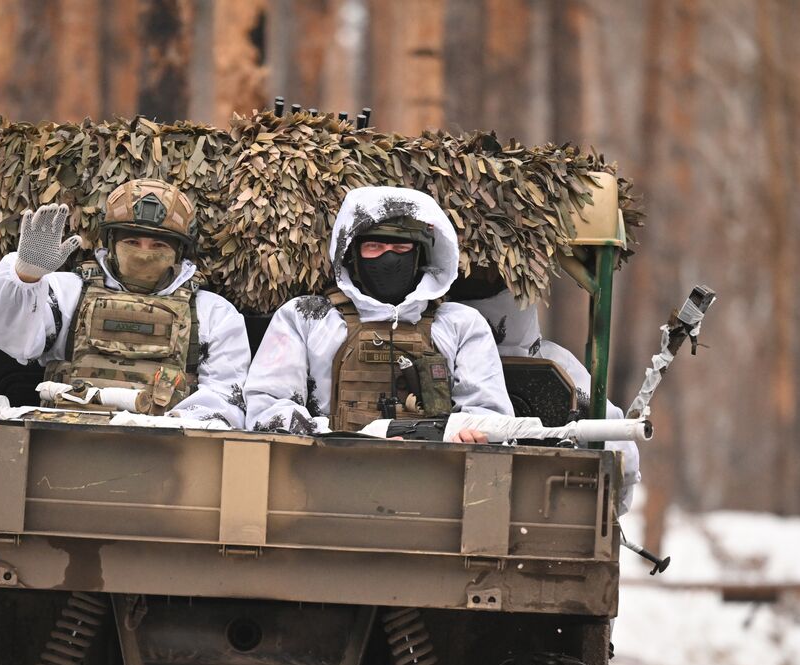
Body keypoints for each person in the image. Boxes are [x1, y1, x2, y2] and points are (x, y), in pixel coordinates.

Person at [0, 179, 251, 426]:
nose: (144, 253)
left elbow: (225, 401)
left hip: (166, 452)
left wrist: (164, 426)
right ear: (111, 242)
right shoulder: (69, 293)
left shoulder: (212, 313)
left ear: (179, 252)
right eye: (132, 241)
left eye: (158, 245)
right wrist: (25, 278)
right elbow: (9, 337)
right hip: (63, 441)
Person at [244, 186, 511, 442]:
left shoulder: (460, 324)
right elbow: (267, 407)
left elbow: (491, 415)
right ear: (352, 256)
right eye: (374, 247)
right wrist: (342, 439)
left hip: (434, 469)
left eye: (401, 249)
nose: (389, 259)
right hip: (327, 468)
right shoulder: (307, 318)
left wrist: (470, 433)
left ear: (419, 255)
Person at [455, 269, 642, 512]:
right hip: (551, 510)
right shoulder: (557, 364)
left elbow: (621, 460)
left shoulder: (441, 358)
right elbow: (622, 466)